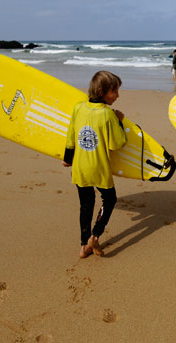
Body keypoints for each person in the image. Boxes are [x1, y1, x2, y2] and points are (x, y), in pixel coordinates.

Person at [61, 71, 127, 258]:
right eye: (114, 91)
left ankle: (83, 245)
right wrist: (120, 122)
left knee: (86, 204)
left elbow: (71, 136)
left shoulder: (78, 108)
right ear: (102, 91)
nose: (117, 95)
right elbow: (117, 143)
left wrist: (67, 158)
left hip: (80, 167)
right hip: (98, 167)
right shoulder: (108, 115)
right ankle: (95, 235)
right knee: (109, 199)